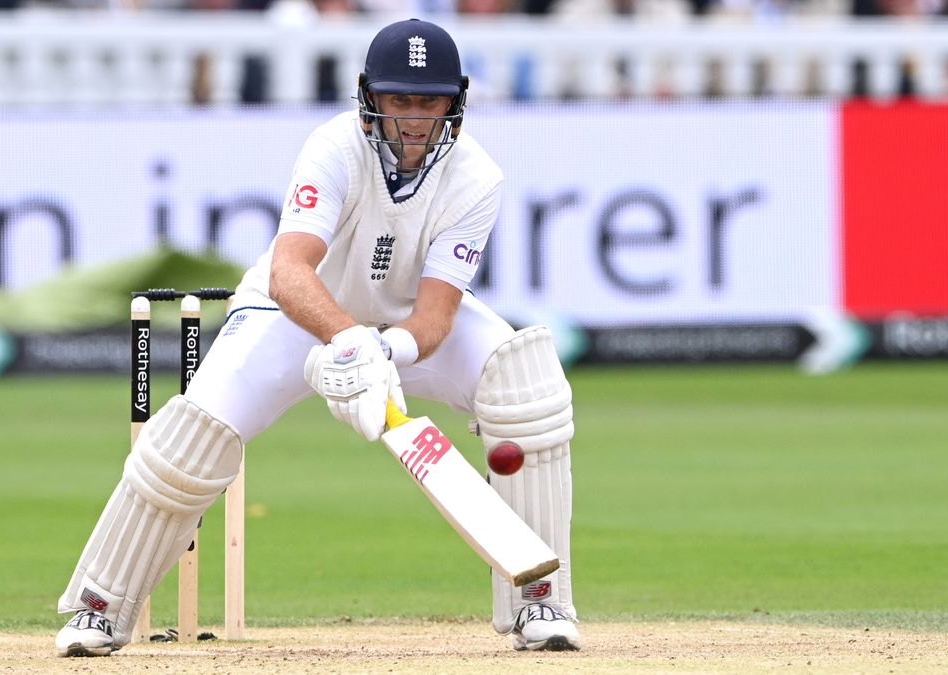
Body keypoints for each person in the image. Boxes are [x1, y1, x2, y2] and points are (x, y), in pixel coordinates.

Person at [54, 17, 580, 656]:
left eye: (430, 100)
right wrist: (348, 339)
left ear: (456, 101)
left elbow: (438, 314)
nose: (414, 118)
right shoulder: (333, 148)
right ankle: (99, 606)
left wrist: (383, 350)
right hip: (292, 322)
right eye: (399, 100)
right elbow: (288, 272)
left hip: (401, 329)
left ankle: (541, 602)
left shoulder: (478, 177)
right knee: (192, 437)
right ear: (369, 97)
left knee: (524, 382)